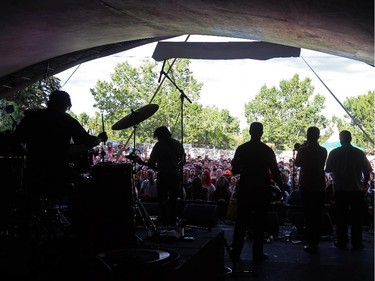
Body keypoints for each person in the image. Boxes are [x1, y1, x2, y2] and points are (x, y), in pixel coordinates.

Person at [15, 90, 108, 239]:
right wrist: (99, 138)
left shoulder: (31, 118)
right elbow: (87, 141)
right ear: (66, 105)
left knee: (27, 201)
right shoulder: (66, 120)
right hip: (58, 170)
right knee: (87, 189)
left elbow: (16, 140)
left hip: (33, 171)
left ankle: (22, 235)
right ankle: (79, 230)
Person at [230, 122, 283, 267]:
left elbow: (234, 169)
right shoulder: (267, 150)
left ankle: (236, 252)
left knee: (241, 222)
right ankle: (257, 253)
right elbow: (275, 171)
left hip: (246, 188)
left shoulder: (242, 149)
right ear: (262, 133)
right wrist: (282, 187)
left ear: (250, 132)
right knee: (260, 223)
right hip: (262, 189)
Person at [325, 130, 372, 249]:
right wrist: (364, 185)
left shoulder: (334, 153)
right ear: (350, 139)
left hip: (340, 189)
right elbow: (367, 171)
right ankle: (357, 242)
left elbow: (328, 169)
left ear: (341, 139)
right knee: (357, 217)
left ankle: (342, 241)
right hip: (356, 189)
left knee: (341, 217)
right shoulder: (359, 153)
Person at [141, 126, 185, 226]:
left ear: (160, 135)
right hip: (174, 176)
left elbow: (151, 162)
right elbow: (183, 161)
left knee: (162, 200)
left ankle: (164, 223)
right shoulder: (177, 143)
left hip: (163, 176)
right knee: (173, 200)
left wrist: (156, 168)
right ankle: (173, 223)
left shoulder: (159, 145)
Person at [294, 126, 327, 253]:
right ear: (318, 136)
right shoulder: (323, 150)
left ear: (308, 135)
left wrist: (300, 150)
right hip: (319, 184)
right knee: (317, 214)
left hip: (306, 184)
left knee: (308, 214)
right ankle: (315, 241)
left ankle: (310, 241)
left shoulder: (303, 150)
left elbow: (297, 164)